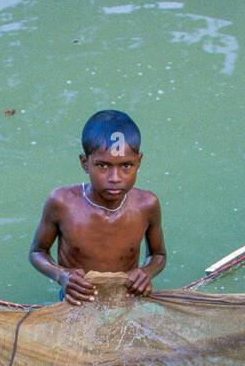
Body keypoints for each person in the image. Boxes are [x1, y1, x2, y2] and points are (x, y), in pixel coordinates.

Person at [29, 110, 166, 305]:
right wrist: (62, 276)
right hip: (78, 299)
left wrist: (145, 273)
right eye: (103, 165)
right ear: (85, 163)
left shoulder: (147, 204)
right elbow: (37, 252)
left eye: (126, 165)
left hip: (126, 299)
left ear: (139, 162)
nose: (115, 178)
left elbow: (158, 255)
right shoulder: (61, 202)